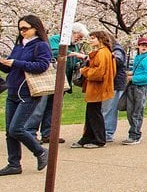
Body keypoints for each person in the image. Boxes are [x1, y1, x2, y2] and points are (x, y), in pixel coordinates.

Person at [0, 15, 53, 175]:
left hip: (29, 92)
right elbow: (9, 68)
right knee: (9, 131)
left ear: (35, 28)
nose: (22, 32)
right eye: (20, 28)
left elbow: (42, 66)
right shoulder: (19, 45)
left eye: (25, 28)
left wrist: (16, 63)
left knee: (17, 128)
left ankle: (40, 151)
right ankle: (14, 164)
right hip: (13, 90)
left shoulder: (41, 46)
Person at [31, 22, 90, 145]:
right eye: (78, 36)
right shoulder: (56, 40)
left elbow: (72, 63)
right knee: (40, 107)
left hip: (63, 81)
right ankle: (31, 134)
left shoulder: (75, 46)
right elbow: (51, 53)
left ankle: (48, 134)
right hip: (50, 79)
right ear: (72, 32)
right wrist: (69, 54)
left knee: (54, 108)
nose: (79, 39)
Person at [70, 30, 116, 148]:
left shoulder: (101, 53)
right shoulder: (107, 52)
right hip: (99, 86)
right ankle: (88, 137)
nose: (90, 40)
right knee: (92, 112)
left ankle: (99, 139)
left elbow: (98, 73)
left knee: (94, 113)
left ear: (100, 39)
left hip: (97, 87)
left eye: (93, 38)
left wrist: (83, 71)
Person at [122, 36, 147, 145]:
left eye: (146, 45)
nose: (144, 47)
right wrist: (131, 73)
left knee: (137, 111)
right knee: (130, 111)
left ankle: (135, 135)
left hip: (141, 87)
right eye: (142, 45)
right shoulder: (138, 57)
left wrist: (133, 78)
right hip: (133, 86)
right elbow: (139, 71)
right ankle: (133, 133)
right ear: (138, 46)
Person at [101, 37, 128, 142]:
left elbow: (118, 60)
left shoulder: (117, 49)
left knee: (109, 109)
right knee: (105, 109)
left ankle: (107, 133)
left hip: (115, 83)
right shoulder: (110, 50)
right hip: (110, 83)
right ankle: (104, 131)